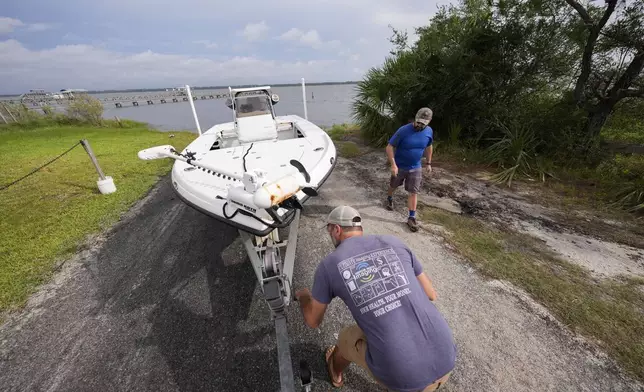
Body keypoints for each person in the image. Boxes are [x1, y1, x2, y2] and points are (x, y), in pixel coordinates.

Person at [295, 205, 457, 392]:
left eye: (329, 230)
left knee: (348, 336)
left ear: (336, 230)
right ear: (359, 229)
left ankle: (335, 371)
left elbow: (313, 321)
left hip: (407, 380)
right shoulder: (394, 242)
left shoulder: (330, 264)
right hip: (447, 358)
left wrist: (305, 297)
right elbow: (431, 294)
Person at [385, 108, 434, 232]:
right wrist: (393, 165)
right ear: (415, 118)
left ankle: (411, 217)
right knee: (393, 185)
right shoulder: (403, 130)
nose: (420, 125)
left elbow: (429, 146)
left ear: (429, 122)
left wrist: (428, 163)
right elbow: (390, 147)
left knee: (413, 192)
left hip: (416, 167)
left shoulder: (429, 131)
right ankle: (389, 197)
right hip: (400, 166)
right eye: (418, 122)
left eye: (423, 123)